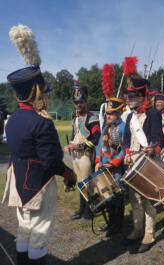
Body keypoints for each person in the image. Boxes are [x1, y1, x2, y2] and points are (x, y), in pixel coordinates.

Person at [3, 23, 76, 265]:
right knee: (40, 233)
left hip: (17, 180)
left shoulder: (12, 120)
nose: (48, 97)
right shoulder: (42, 123)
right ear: (37, 93)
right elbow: (52, 161)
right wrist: (68, 174)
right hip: (39, 184)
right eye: (45, 93)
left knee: (24, 228)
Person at [123, 76, 164, 253]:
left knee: (147, 200)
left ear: (141, 96)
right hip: (133, 162)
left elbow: (159, 140)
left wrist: (152, 148)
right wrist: (126, 154)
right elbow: (126, 140)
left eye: (132, 96)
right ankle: (137, 229)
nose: (128, 98)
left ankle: (149, 233)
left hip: (147, 162)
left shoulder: (153, 113)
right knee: (134, 200)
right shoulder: (130, 116)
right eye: (128, 95)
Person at [64, 82, 100, 221]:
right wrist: (70, 145)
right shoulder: (75, 118)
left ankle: (89, 211)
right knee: (80, 184)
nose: (78, 105)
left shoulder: (92, 118)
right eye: (76, 102)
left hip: (86, 155)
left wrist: (78, 146)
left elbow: (96, 138)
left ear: (86, 101)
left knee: (86, 184)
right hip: (75, 156)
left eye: (81, 101)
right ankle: (81, 209)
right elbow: (75, 136)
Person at [95, 97, 126, 237]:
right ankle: (110, 222)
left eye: (111, 113)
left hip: (116, 168)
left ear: (119, 113)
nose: (107, 115)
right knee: (107, 195)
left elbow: (125, 149)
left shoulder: (123, 127)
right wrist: (97, 160)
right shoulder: (106, 128)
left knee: (117, 195)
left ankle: (118, 224)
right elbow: (100, 146)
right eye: (107, 113)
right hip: (104, 165)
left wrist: (114, 162)